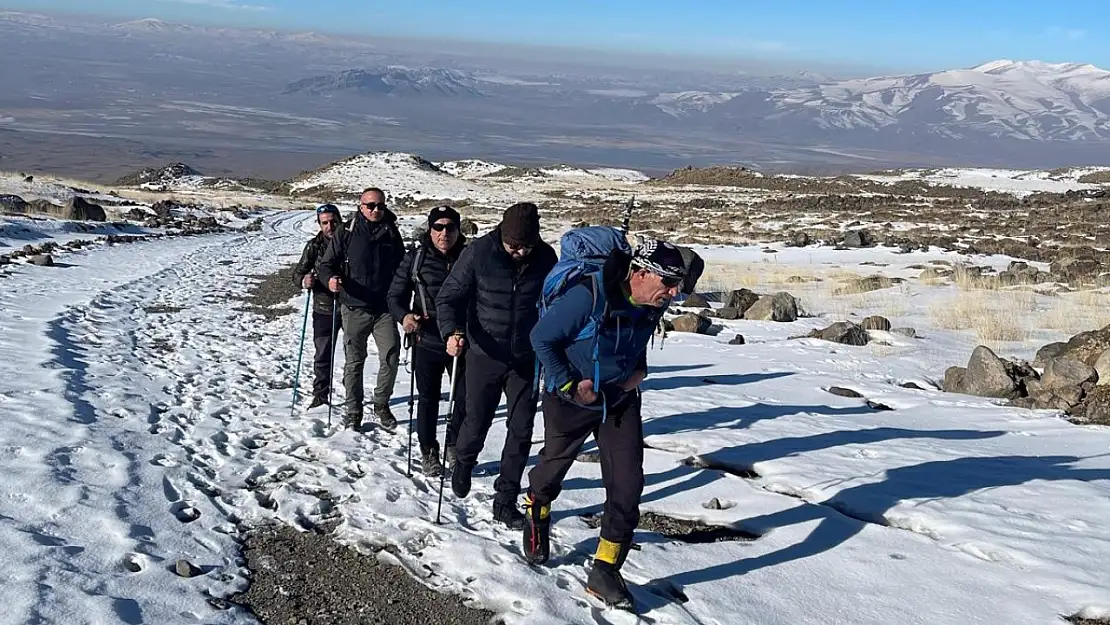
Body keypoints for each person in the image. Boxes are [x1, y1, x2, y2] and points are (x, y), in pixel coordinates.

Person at [523, 238, 687, 610]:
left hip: (620, 400)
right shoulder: (588, 295)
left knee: (628, 484)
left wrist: (638, 372)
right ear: (642, 273)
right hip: (570, 398)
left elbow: (637, 341)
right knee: (552, 467)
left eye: (676, 285)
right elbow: (541, 337)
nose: (673, 293)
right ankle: (537, 506)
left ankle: (606, 569)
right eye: (668, 283)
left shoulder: (652, 303)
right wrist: (568, 384)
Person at [435, 202, 557, 528]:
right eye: (513, 245)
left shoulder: (546, 258)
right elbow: (448, 297)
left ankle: (505, 500)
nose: (519, 252)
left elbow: (554, 303)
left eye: (525, 246)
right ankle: (463, 460)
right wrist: (452, 331)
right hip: (483, 352)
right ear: (502, 234)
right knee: (476, 421)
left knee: (521, 431)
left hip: (526, 358)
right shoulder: (478, 253)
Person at [386, 205, 468, 477]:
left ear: (459, 230)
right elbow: (395, 296)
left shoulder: (471, 258)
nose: (444, 233)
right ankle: (429, 451)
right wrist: (405, 317)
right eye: (438, 227)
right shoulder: (416, 259)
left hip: (463, 341)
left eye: (450, 227)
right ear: (430, 229)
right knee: (429, 399)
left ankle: (454, 446)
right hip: (428, 339)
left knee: (465, 399)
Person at [316, 187, 405, 431]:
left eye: (380, 206)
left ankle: (381, 404)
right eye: (370, 205)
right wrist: (331, 279)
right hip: (354, 306)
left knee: (391, 355)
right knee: (355, 361)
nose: (376, 210)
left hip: (384, 308)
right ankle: (353, 410)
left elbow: (401, 267)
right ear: (360, 206)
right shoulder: (347, 232)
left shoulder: (391, 231)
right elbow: (326, 265)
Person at [293, 203, 344, 408]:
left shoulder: (350, 242)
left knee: (354, 356)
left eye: (333, 221)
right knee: (322, 353)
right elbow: (298, 273)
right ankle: (321, 395)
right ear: (319, 224)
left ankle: (352, 397)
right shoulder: (313, 246)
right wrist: (304, 281)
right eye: (325, 223)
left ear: (339, 220)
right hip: (323, 308)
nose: (330, 226)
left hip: (351, 307)